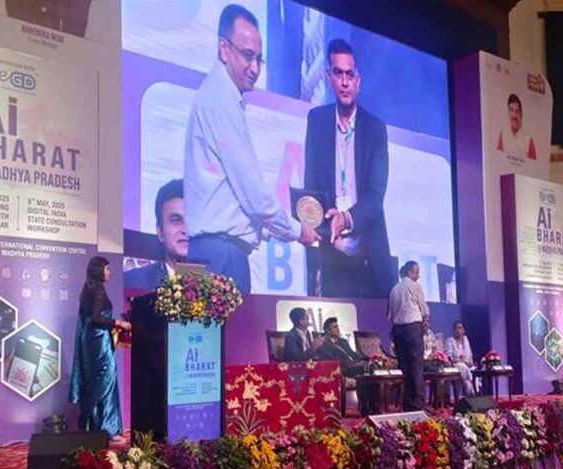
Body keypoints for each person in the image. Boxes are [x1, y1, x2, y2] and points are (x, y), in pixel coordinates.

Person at [184, 4, 319, 294]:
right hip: (222, 257)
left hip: (216, 253)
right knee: (227, 327)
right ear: (224, 49)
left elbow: (234, 196)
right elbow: (253, 193)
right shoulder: (221, 99)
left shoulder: (218, 95)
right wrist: (298, 230)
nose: (255, 68)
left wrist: (270, 229)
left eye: (259, 59)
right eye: (247, 56)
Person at [303, 38, 394, 299]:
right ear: (328, 77)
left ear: (358, 80)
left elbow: (375, 196)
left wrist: (346, 218)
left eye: (349, 74)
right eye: (338, 73)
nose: (344, 82)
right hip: (331, 255)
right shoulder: (317, 121)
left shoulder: (375, 129)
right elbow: (311, 186)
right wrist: (324, 226)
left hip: (369, 254)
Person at [69, 256, 131, 443]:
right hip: (99, 341)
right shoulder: (98, 290)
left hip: (91, 341)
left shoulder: (88, 289)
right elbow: (97, 318)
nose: (109, 272)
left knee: (96, 382)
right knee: (107, 380)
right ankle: (109, 430)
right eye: (107, 268)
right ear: (99, 270)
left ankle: (95, 427)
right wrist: (118, 323)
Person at [125, 179, 188, 289]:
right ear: (160, 232)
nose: (186, 229)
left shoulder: (218, 284)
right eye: (175, 220)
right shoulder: (131, 283)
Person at [388, 260, 430, 411]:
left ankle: (407, 405)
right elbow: (424, 310)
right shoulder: (415, 286)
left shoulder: (394, 289)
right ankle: (418, 405)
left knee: (405, 368)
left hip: (398, 330)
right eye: (416, 272)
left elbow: (391, 315)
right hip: (412, 329)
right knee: (417, 366)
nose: (418, 276)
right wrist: (425, 323)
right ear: (410, 272)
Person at [496, 94, 537, 160]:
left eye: (517, 111)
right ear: (508, 112)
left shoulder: (528, 140)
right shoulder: (503, 135)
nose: (514, 115)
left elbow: (533, 165)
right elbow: (498, 159)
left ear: (521, 114)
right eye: (511, 110)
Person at [445, 321, 475, 395]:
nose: (458, 330)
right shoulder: (450, 341)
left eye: (460, 328)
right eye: (456, 328)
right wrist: (463, 362)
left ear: (463, 330)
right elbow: (449, 358)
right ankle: (470, 390)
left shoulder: (466, 340)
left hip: (467, 366)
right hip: (455, 365)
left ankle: (474, 389)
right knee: (462, 366)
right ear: (453, 330)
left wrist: (470, 362)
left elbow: (470, 355)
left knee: (474, 369)